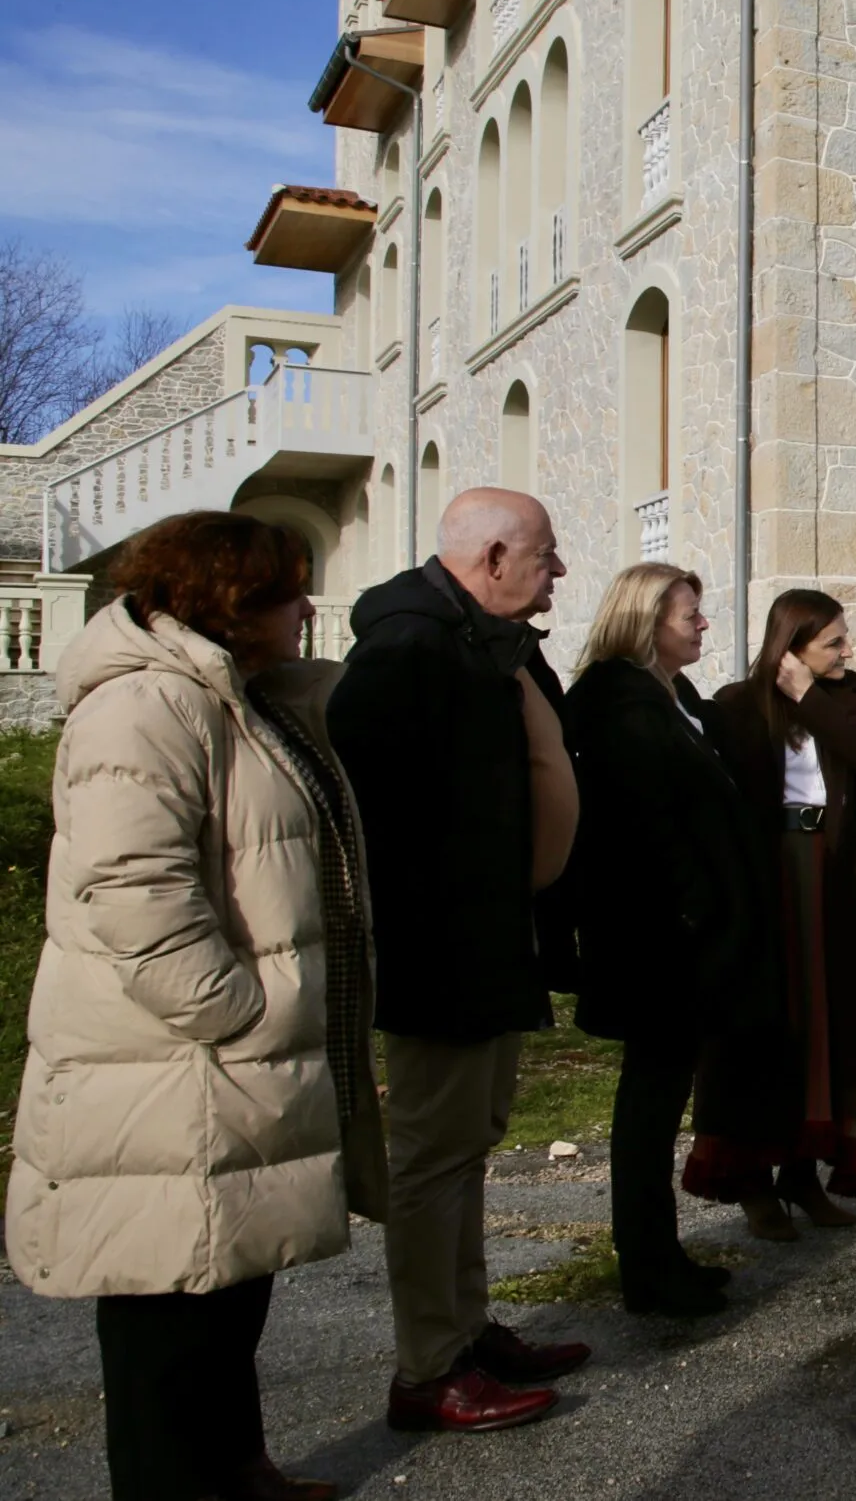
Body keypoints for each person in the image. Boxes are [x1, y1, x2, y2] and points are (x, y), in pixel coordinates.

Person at [7, 511, 380, 1501]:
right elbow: (134, 887)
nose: (307, 608)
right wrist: (238, 1012)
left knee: (227, 1278)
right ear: (232, 599)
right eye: (289, 591)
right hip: (169, 1065)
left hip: (219, 1069)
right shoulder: (143, 707)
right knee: (165, 1311)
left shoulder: (238, 699)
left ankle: (236, 1470)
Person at [327, 488, 588, 1433]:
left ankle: (468, 1331)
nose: (558, 570)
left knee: (471, 1141)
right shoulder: (408, 648)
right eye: (546, 555)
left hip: (492, 939)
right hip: (440, 951)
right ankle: (428, 1365)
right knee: (435, 1156)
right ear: (493, 559)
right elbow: (371, 812)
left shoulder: (486, 642)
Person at [560, 564, 773, 1317]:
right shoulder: (615, 705)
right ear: (647, 621)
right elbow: (642, 826)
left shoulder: (671, 697)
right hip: (653, 940)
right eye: (690, 614)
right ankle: (647, 1269)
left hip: (685, 937)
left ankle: (661, 1254)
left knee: (661, 1096)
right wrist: (694, 908)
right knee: (648, 1105)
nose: (703, 623)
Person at [685, 589, 856, 1238]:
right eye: (833, 642)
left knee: (826, 1022)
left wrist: (809, 695)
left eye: (845, 638)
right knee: (768, 1023)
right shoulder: (737, 704)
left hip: (832, 874)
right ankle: (753, 1184)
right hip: (767, 877)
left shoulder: (847, 696)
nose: (848, 650)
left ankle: (804, 1175)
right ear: (791, 647)